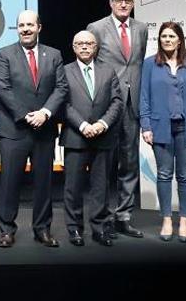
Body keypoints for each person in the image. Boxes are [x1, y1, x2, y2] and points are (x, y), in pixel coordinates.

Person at [0, 10, 68, 248]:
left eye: (30, 25)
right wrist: (26, 116)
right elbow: (3, 89)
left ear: (39, 27)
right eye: (21, 25)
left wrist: (45, 113)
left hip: (44, 129)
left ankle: (42, 229)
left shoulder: (54, 55)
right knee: (9, 183)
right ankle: (6, 230)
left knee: (44, 183)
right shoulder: (4, 54)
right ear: (17, 29)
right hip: (14, 129)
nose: (25, 29)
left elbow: (61, 88)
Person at [87, 0, 148, 238]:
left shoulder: (141, 29)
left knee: (130, 162)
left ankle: (124, 216)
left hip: (132, 105)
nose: (123, 4)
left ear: (132, 3)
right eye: (119, 0)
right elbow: (91, 65)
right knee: (103, 165)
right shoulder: (96, 28)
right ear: (110, 2)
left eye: (128, 1)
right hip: (106, 105)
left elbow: (137, 64)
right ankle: (101, 218)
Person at [140, 21, 186, 242]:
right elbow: (144, 97)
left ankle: (185, 220)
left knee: (185, 175)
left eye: (171, 36)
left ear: (180, 40)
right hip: (160, 126)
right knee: (163, 174)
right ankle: (167, 219)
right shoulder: (150, 64)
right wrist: (146, 126)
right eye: (163, 36)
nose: (167, 40)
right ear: (159, 40)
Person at [60, 31, 122, 247]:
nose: (85, 47)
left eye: (89, 43)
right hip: (76, 137)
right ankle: (75, 228)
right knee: (73, 187)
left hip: (103, 137)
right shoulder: (64, 71)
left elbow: (116, 102)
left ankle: (99, 228)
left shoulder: (108, 70)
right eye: (80, 43)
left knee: (101, 187)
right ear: (74, 47)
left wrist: (102, 124)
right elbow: (63, 104)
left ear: (96, 47)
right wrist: (84, 125)